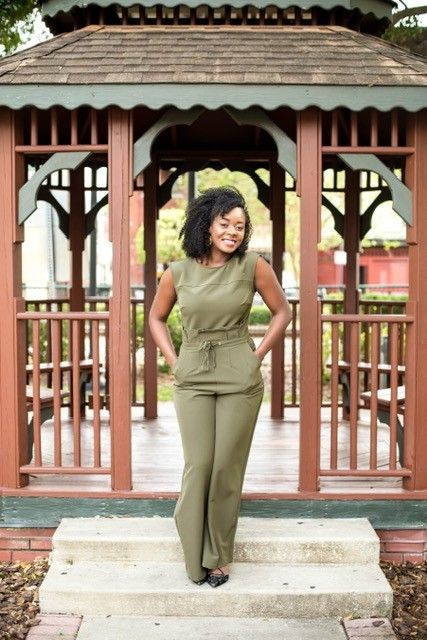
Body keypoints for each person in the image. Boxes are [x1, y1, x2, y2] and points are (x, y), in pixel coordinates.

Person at [149, 186, 292, 588]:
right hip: (192, 371)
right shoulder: (177, 272)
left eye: (239, 226)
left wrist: (258, 353)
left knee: (227, 467)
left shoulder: (253, 266)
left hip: (239, 371)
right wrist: (174, 360)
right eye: (224, 223)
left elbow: (284, 311)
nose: (232, 231)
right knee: (200, 465)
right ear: (206, 225)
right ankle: (193, 548)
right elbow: (156, 318)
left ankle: (218, 557)